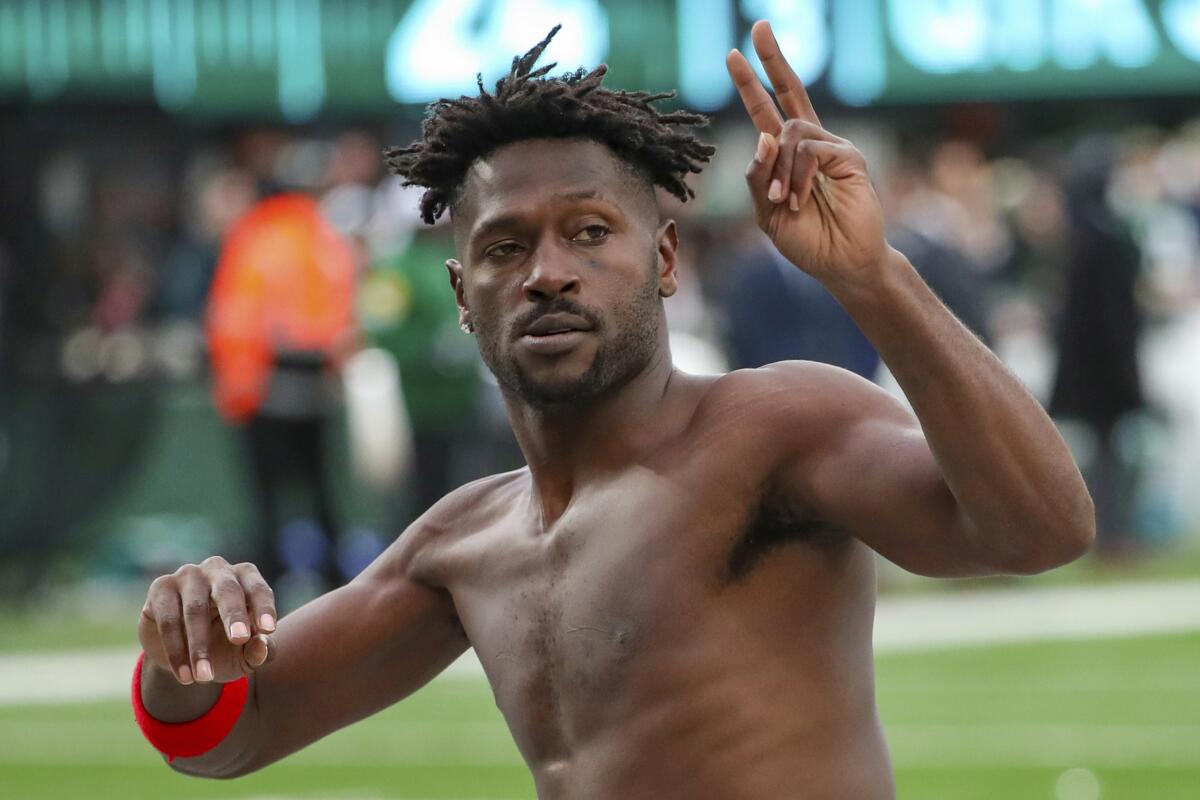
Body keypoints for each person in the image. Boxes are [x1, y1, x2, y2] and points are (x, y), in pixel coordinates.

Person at [134, 22, 1094, 798]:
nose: (550, 271)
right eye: (507, 248)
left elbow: (1040, 530)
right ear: (465, 295)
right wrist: (178, 656)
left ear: (666, 261)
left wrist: (876, 280)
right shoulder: (464, 544)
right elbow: (229, 732)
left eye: (591, 233)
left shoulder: (776, 429)